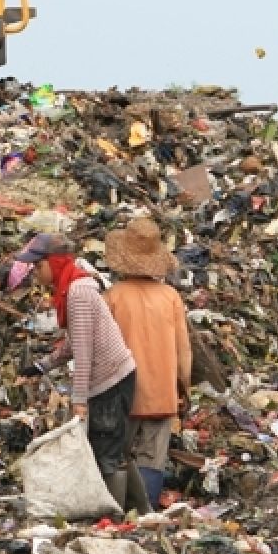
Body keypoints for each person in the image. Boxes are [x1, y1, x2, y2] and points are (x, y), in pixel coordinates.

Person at [14, 233, 143, 510]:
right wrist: (42, 366)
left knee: (106, 452)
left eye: (38, 266)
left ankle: (116, 520)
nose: (36, 273)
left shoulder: (77, 293)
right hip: (114, 376)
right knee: (115, 449)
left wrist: (79, 400)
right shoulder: (70, 288)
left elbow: (84, 353)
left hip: (110, 379)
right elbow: (75, 343)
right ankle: (142, 512)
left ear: (55, 262)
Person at [103, 218, 191, 509]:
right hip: (162, 392)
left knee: (118, 455)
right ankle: (146, 512)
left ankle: (118, 512)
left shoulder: (113, 297)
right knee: (152, 455)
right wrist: (183, 388)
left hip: (122, 393)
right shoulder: (171, 297)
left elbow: (102, 348)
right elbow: (183, 354)